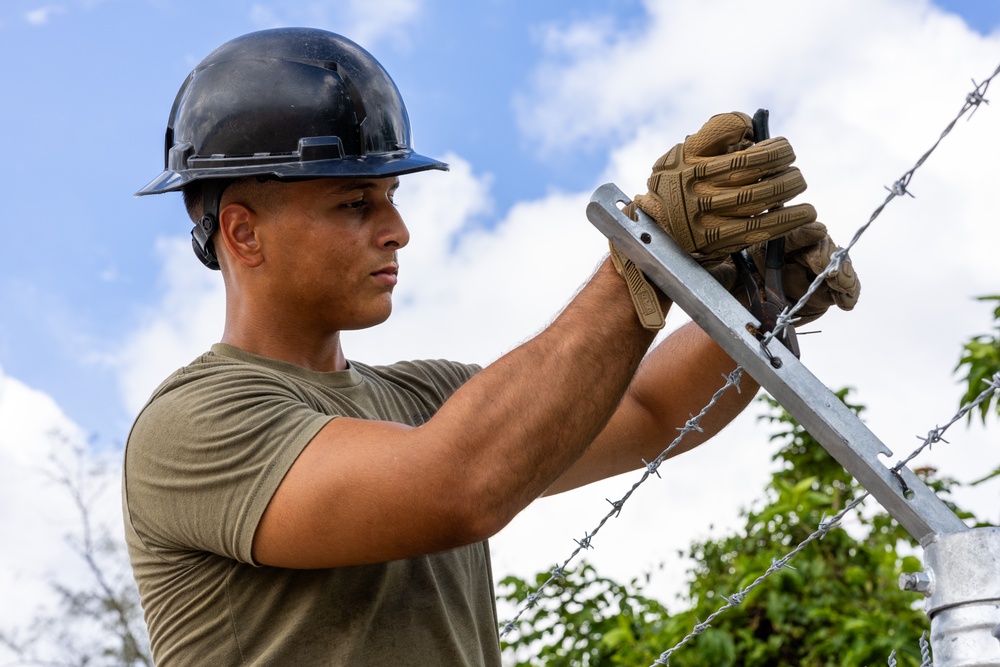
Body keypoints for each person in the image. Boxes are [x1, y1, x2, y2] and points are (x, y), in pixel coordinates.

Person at [123, 27, 859, 666]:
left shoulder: (428, 400)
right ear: (243, 233)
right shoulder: (192, 425)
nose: (397, 231)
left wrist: (751, 309)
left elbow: (645, 407)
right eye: (354, 204)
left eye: (391, 200)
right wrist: (643, 259)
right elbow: (456, 486)